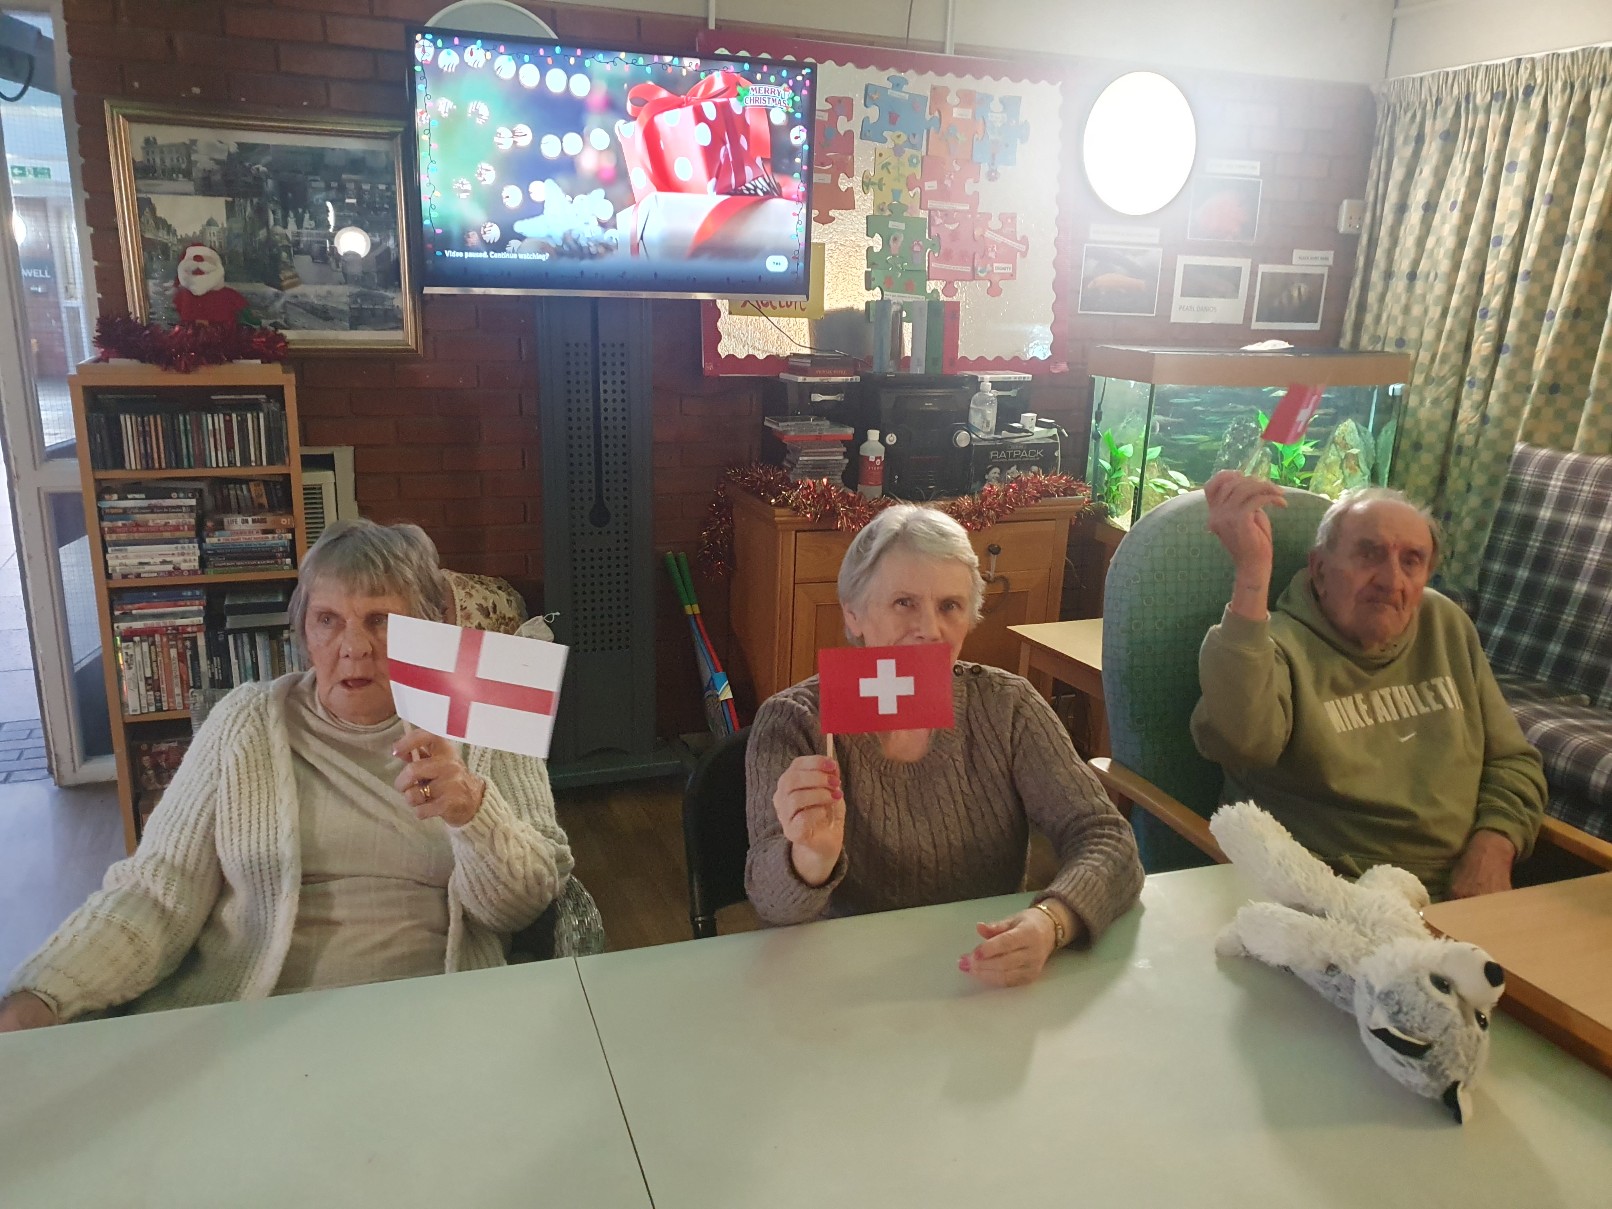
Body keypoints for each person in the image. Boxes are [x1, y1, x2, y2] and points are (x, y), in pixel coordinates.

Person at [0, 521, 572, 1032]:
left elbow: (523, 908)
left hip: (425, 1019)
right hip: (251, 1021)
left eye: (381, 621)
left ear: (429, 629)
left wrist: (474, 813)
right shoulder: (246, 720)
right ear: (303, 631)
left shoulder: (481, 720)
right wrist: (42, 995)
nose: (353, 648)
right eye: (328, 620)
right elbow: (156, 894)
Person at [745, 505, 1144, 988]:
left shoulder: (1007, 706)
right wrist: (809, 858)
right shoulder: (794, 722)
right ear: (853, 614)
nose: (929, 629)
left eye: (950, 606)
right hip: (844, 984)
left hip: (979, 975)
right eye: (904, 603)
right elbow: (767, 901)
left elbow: (1108, 839)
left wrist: (1051, 922)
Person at [1191, 471, 1547, 900]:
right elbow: (1243, 743)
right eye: (1369, 554)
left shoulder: (1445, 624)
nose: (1391, 580)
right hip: (1328, 896)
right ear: (1320, 569)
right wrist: (1252, 573)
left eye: (1411, 561)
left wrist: (1492, 849)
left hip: (1461, 893)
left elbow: (1513, 762)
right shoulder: (1275, 644)